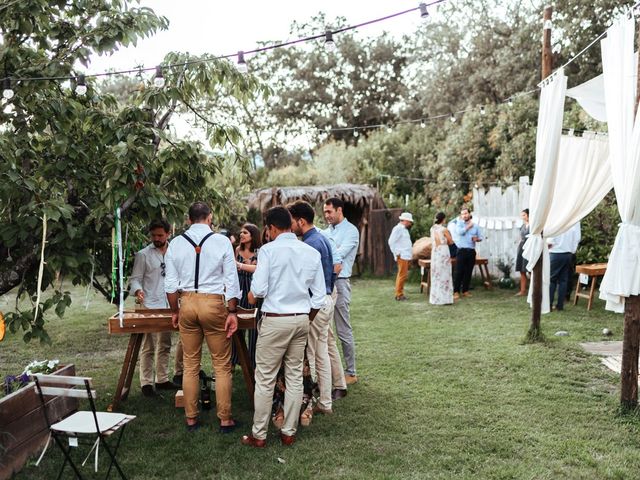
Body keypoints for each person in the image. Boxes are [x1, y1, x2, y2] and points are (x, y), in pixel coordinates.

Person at [241, 206, 326, 448]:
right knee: (295, 376)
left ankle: (259, 435)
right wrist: (305, 318)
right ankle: (289, 432)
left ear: (271, 228)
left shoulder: (268, 251)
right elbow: (319, 296)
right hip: (301, 319)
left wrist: (251, 294)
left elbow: (257, 291)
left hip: (275, 319)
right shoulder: (310, 252)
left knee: (265, 378)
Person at [164, 201, 240, 432]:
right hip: (214, 302)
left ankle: (191, 418)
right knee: (221, 366)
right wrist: (233, 311)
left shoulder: (175, 243)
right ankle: (225, 419)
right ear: (210, 217)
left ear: (189, 220)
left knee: (190, 364)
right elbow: (231, 280)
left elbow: (169, 285)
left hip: (186, 302)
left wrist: (175, 311)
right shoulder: (221, 241)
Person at [288, 200, 336, 416]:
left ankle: (310, 401)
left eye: (292, 222)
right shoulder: (321, 238)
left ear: (301, 221)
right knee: (321, 352)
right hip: (327, 299)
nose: (290, 227)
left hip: (316, 305)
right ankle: (325, 402)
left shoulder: (309, 244)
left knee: (311, 354)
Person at [129, 219, 180, 397]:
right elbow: (135, 278)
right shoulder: (143, 255)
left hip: (169, 304)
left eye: (160, 235)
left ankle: (163, 379)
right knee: (148, 345)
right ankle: (146, 383)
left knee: (165, 343)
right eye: (153, 235)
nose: (156, 238)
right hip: (150, 303)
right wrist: (138, 290)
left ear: (168, 234)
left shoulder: (176, 251)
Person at [322, 197, 360, 385]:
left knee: (343, 329)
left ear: (339, 210)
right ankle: (329, 371)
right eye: (325, 211)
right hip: (324, 283)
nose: (326, 215)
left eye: (329, 211)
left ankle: (351, 372)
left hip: (341, 282)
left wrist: (328, 249)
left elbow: (337, 255)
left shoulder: (351, 231)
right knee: (324, 330)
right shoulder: (326, 231)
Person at [230, 223, 261, 368]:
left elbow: (258, 269)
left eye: (245, 233)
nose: (241, 235)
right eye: (241, 232)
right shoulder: (237, 249)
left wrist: (240, 265)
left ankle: (253, 362)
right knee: (237, 323)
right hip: (239, 287)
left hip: (252, 289)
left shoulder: (259, 251)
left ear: (253, 235)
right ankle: (235, 359)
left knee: (254, 326)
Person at [547, 222, 581, 311]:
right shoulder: (573, 223)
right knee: (563, 280)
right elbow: (577, 238)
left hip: (555, 253)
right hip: (568, 254)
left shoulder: (557, 222)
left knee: (552, 280)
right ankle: (560, 305)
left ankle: (549, 304)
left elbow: (550, 241)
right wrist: (572, 250)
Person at [452, 207, 483, 300]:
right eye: (463, 214)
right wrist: (468, 227)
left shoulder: (476, 226)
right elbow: (460, 232)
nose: (464, 215)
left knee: (468, 272)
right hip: (461, 251)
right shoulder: (459, 224)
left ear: (469, 214)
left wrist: (477, 239)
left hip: (471, 251)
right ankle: (456, 291)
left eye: (466, 213)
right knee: (458, 272)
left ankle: (465, 290)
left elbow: (481, 237)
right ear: (461, 216)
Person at [387, 212, 414, 301]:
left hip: (405, 255)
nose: (410, 224)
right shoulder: (398, 229)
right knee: (402, 275)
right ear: (406, 221)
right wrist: (397, 253)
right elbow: (391, 241)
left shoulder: (404, 229)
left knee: (403, 275)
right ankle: (399, 295)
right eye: (410, 222)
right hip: (402, 255)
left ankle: (400, 293)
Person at [429, 212, 454, 305]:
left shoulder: (432, 228)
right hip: (443, 251)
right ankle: (445, 299)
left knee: (436, 274)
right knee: (445, 274)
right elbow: (451, 242)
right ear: (443, 219)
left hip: (435, 252)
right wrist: (448, 240)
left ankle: (436, 298)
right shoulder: (444, 229)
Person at [514, 209, 530, 296]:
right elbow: (521, 236)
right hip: (521, 248)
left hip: (529, 248)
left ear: (528, 215)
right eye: (522, 215)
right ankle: (523, 290)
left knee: (530, 270)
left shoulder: (533, 226)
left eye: (524, 215)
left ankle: (534, 289)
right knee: (522, 270)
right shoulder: (523, 226)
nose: (522, 217)